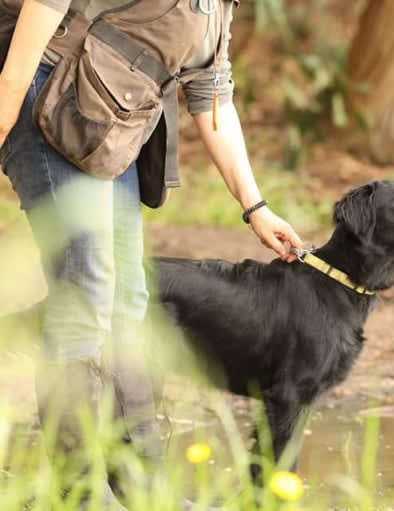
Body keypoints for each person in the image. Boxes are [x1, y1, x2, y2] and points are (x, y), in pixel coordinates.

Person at [0, 0, 303, 506]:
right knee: (86, 290)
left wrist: (257, 207)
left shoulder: (217, 10)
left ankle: (142, 489)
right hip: (43, 96)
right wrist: (6, 109)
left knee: (128, 301)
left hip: (107, 127)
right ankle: (79, 494)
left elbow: (213, 104)